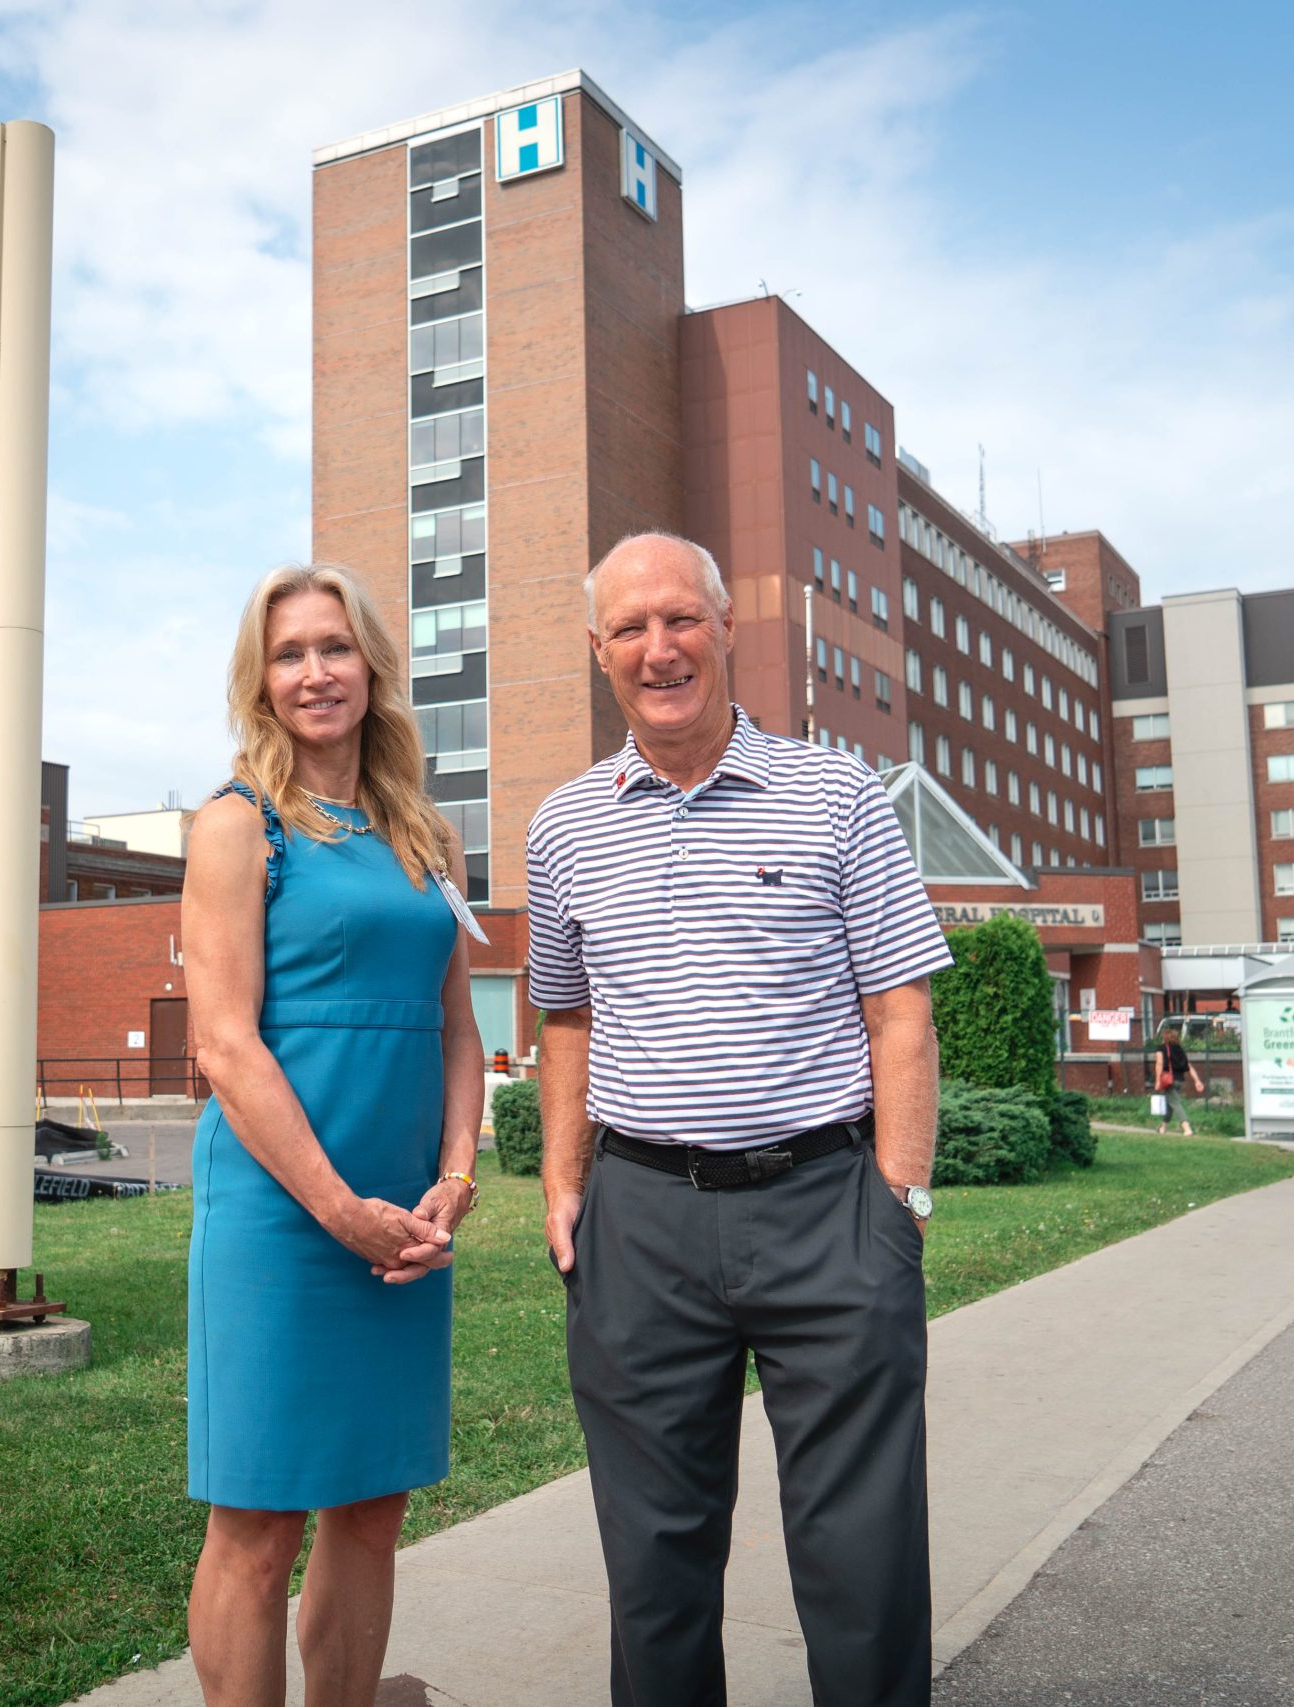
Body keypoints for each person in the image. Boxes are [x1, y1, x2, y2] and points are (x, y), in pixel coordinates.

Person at [527, 533, 954, 1707]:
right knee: (654, 1566)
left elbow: (901, 1014)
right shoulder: (562, 826)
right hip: (641, 1222)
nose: (657, 649)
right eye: (629, 628)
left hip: (828, 1211)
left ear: (726, 630)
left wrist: (900, 1203)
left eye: (680, 620)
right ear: (597, 651)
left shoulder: (836, 795)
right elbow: (563, 1020)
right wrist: (565, 1188)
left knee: (860, 1557)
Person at [180, 564, 489, 1707]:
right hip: (282, 1213)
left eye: (335, 647)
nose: (315, 671)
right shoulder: (235, 826)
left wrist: (452, 1175)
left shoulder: (426, 835)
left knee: (373, 1504)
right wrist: (334, 1207)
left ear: (372, 665)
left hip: (402, 1217)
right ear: (261, 682)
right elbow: (224, 1046)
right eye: (290, 653)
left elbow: (458, 1029)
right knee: (257, 1520)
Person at [1154, 1022, 1203, 1136]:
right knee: (1170, 1104)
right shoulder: (1179, 1050)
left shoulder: (1161, 1048)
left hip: (1168, 1080)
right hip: (1179, 1081)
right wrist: (1197, 1081)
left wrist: (1157, 1081)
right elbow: (1189, 1066)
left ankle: (1187, 1128)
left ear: (1164, 1038)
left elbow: (1159, 1064)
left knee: (1175, 1103)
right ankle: (1163, 1128)